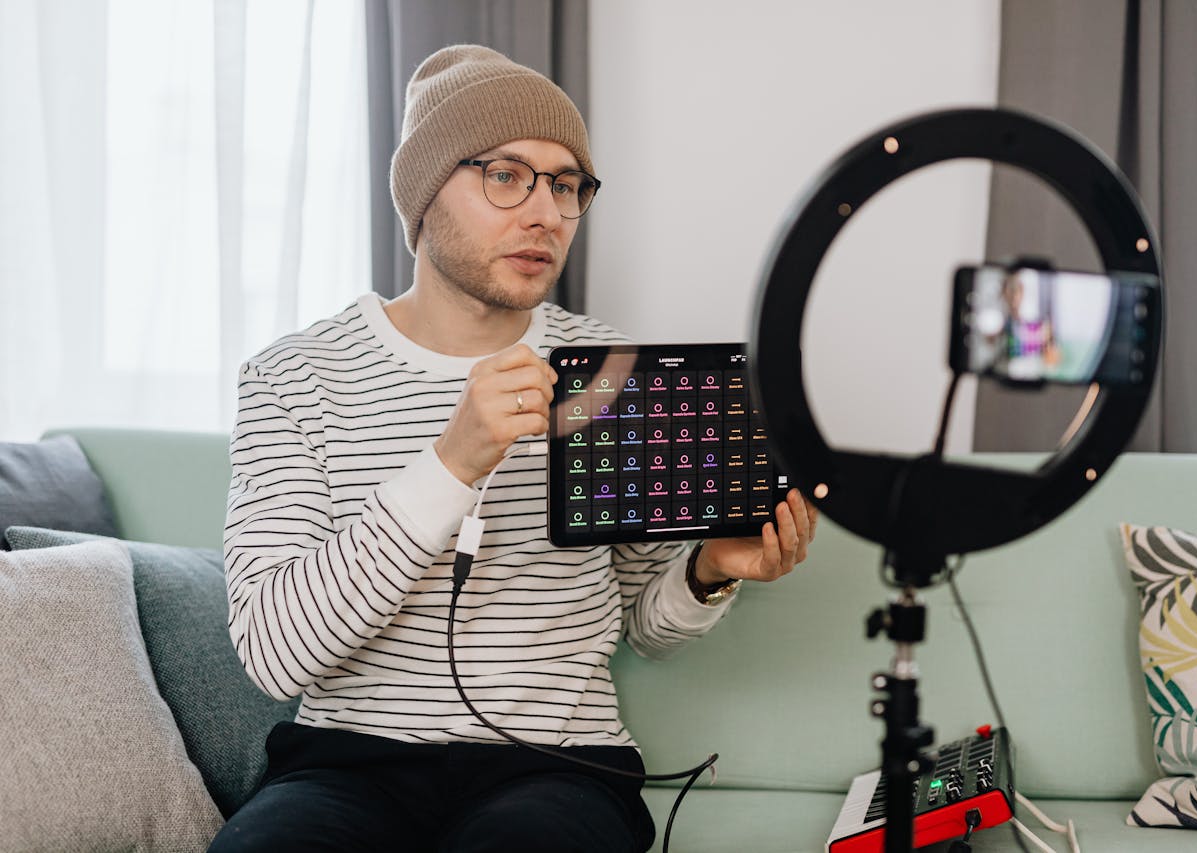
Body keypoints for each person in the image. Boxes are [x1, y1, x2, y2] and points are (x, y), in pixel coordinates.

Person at [209, 44, 818, 853]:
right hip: (344, 765)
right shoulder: (294, 378)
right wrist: (451, 460)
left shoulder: (610, 372)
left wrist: (707, 572)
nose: (545, 213)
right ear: (425, 194)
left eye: (567, 186)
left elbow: (643, 622)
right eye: (506, 175)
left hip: (560, 768)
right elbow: (278, 654)